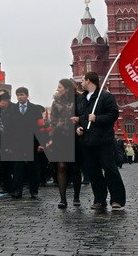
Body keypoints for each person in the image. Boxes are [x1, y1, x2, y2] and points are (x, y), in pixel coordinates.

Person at [76, 71, 126, 210]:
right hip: (87, 141)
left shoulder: (105, 96)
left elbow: (113, 115)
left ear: (89, 81)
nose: (81, 83)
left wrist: (97, 118)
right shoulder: (80, 99)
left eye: (82, 80)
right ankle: (99, 199)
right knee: (93, 171)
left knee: (109, 169)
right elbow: (77, 117)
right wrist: (78, 127)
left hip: (104, 140)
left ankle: (117, 199)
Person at [5, 87, 46, 200]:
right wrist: (8, 144)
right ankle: (18, 190)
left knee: (33, 168)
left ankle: (34, 191)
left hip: (32, 142)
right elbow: (8, 128)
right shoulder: (12, 109)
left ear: (27, 95)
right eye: (18, 95)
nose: (20, 97)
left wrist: (41, 143)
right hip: (17, 142)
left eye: (22, 94)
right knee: (18, 168)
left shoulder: (34, 109)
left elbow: (41, 127)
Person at [49, 79, 81, 208]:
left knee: (75, 168)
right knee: (61, 167)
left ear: (67, 88)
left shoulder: (78, 100)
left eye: (60, 87)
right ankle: (62, 199)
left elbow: (82, 116)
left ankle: (76, 196)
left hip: (75, 137)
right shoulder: (56, 102)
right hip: (60, 137)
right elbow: (52, 121)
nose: (58, 89)